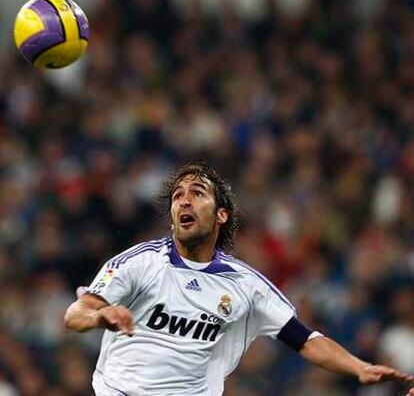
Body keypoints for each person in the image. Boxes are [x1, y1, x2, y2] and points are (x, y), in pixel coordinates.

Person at [64, 162, 414, 396]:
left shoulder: (246, 285)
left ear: (221, 214)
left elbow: (305, 340)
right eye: (177, 196)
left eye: (197, 193)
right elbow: (75, 314)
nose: (184, 201)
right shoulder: (141, 262)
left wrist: (360, 368)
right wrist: (100, 315)